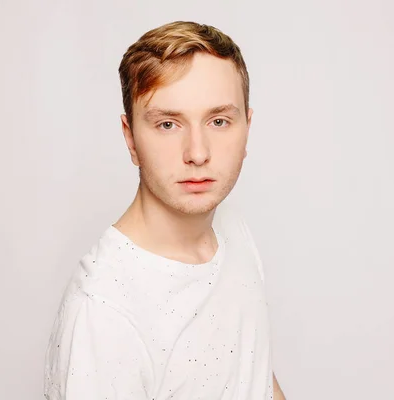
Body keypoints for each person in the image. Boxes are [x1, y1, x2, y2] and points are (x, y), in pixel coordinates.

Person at [44, 21, 286, 400]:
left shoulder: (231, 228)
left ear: (247, 127)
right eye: (168, 124)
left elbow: (254, 379)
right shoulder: (103, 313)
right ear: (131, 138)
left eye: (219, 121)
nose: (198, 153)